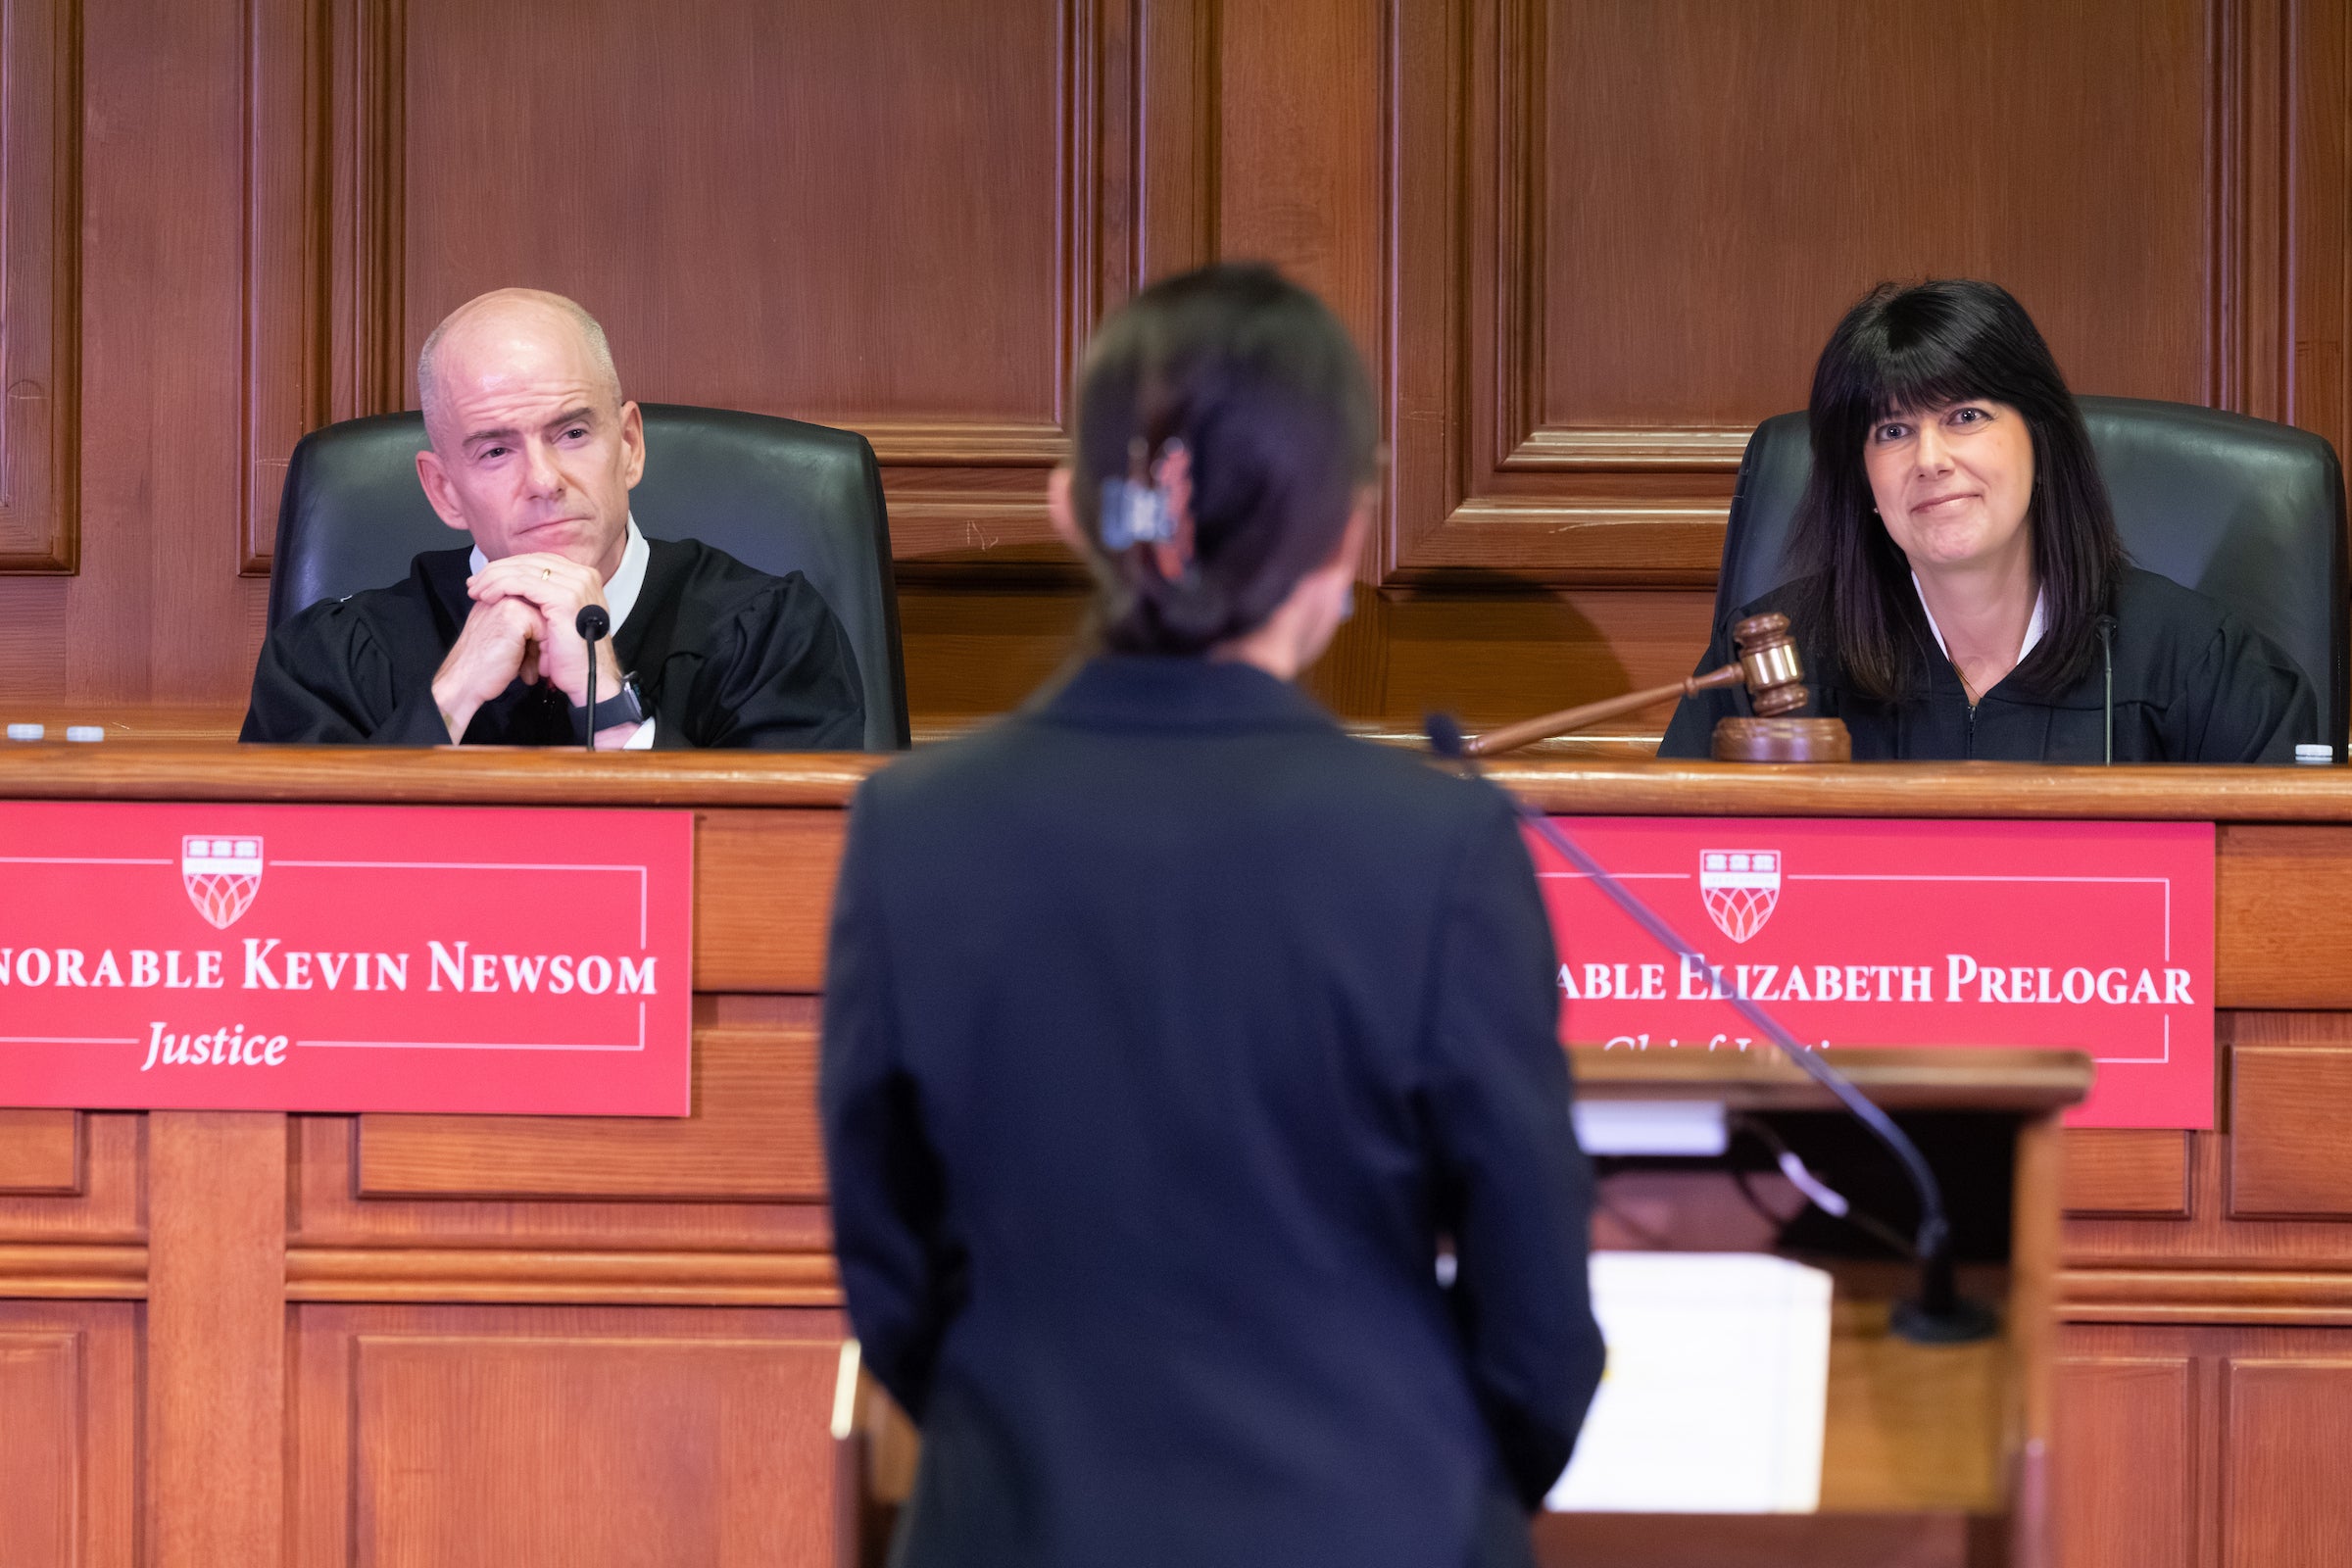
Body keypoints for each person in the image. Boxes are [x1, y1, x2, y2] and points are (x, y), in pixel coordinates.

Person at [820, 265, 1603, 1568]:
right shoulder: (1440, 846)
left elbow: (890, 1280)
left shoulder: (913, 832)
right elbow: (1537, 1330)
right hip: (1375, 1526)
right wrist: (1433, 1481)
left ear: (1073, 511)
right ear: (1346, 535)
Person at [1658, 279, 2320, 761]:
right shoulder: (1775, 664)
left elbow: (2287, 910)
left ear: (2042, 439)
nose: (1930, 459)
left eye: (1965, 417)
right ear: (1861, 476)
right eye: (1891, 430)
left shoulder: (2200, 662)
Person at [241, 288, 864, 748]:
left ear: (630, 446)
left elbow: (779, 881)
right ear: (444, 491)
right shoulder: (331, 659)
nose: (544, 481)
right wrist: (450, 699)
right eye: (495, 450)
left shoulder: (773, 635)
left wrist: (607, 703)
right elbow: (301, 885)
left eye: (571, 432)